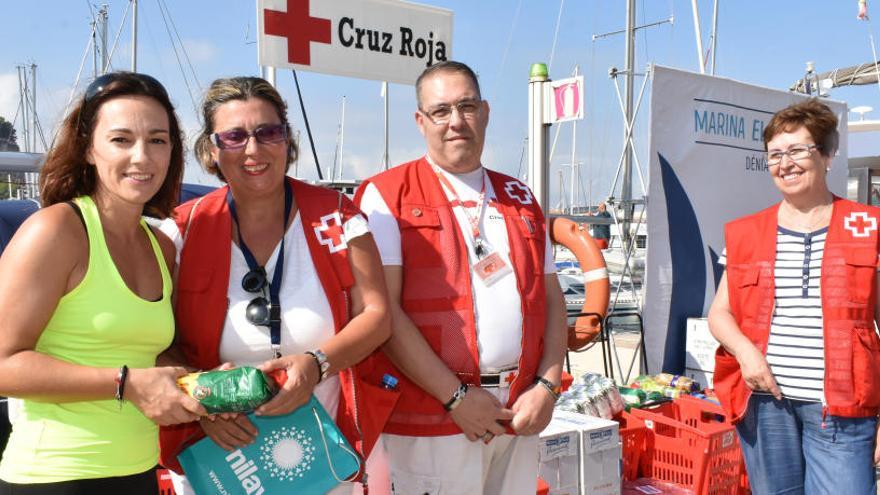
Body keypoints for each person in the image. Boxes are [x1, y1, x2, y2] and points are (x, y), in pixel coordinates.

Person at [158, 76, 397, 495]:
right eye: (234, 136)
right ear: (212, 151)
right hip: (223, 460)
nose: (253, 149)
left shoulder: (339, 217)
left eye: (268, 132)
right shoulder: (182, 230)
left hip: (325, 451)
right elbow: (155, 341)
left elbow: (377, 316)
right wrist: (202, 403)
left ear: (287, 140)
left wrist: (317, 364)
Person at [356, 61, 567, 494]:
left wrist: (548, 385)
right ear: (421, 121)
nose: (456, 121)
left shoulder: (520, 196)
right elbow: (383, 313)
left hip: (517, 411)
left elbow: (552, 300)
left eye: (467, 106)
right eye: (441, 111)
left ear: (485, 112)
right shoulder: (386, 194)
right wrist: (456, 398)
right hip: (434, 415)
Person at [0, 72, 206, 493]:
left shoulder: (161, 247)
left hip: (138, 472)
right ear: (88, 150)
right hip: (55, 476)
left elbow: (151, 354)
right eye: (121, 139)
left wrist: (204, 383)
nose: (142, 157)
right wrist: (125, 383)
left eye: (157, 140)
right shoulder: (57, 231)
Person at [708, 98, 880, 495]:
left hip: (844, 408)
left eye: (797, 150)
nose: (785, 163)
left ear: (828, 155)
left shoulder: (868, 227)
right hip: (765, 405)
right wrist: (745, 352)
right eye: (775, 155)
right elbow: (720, 313)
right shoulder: (746, 232)